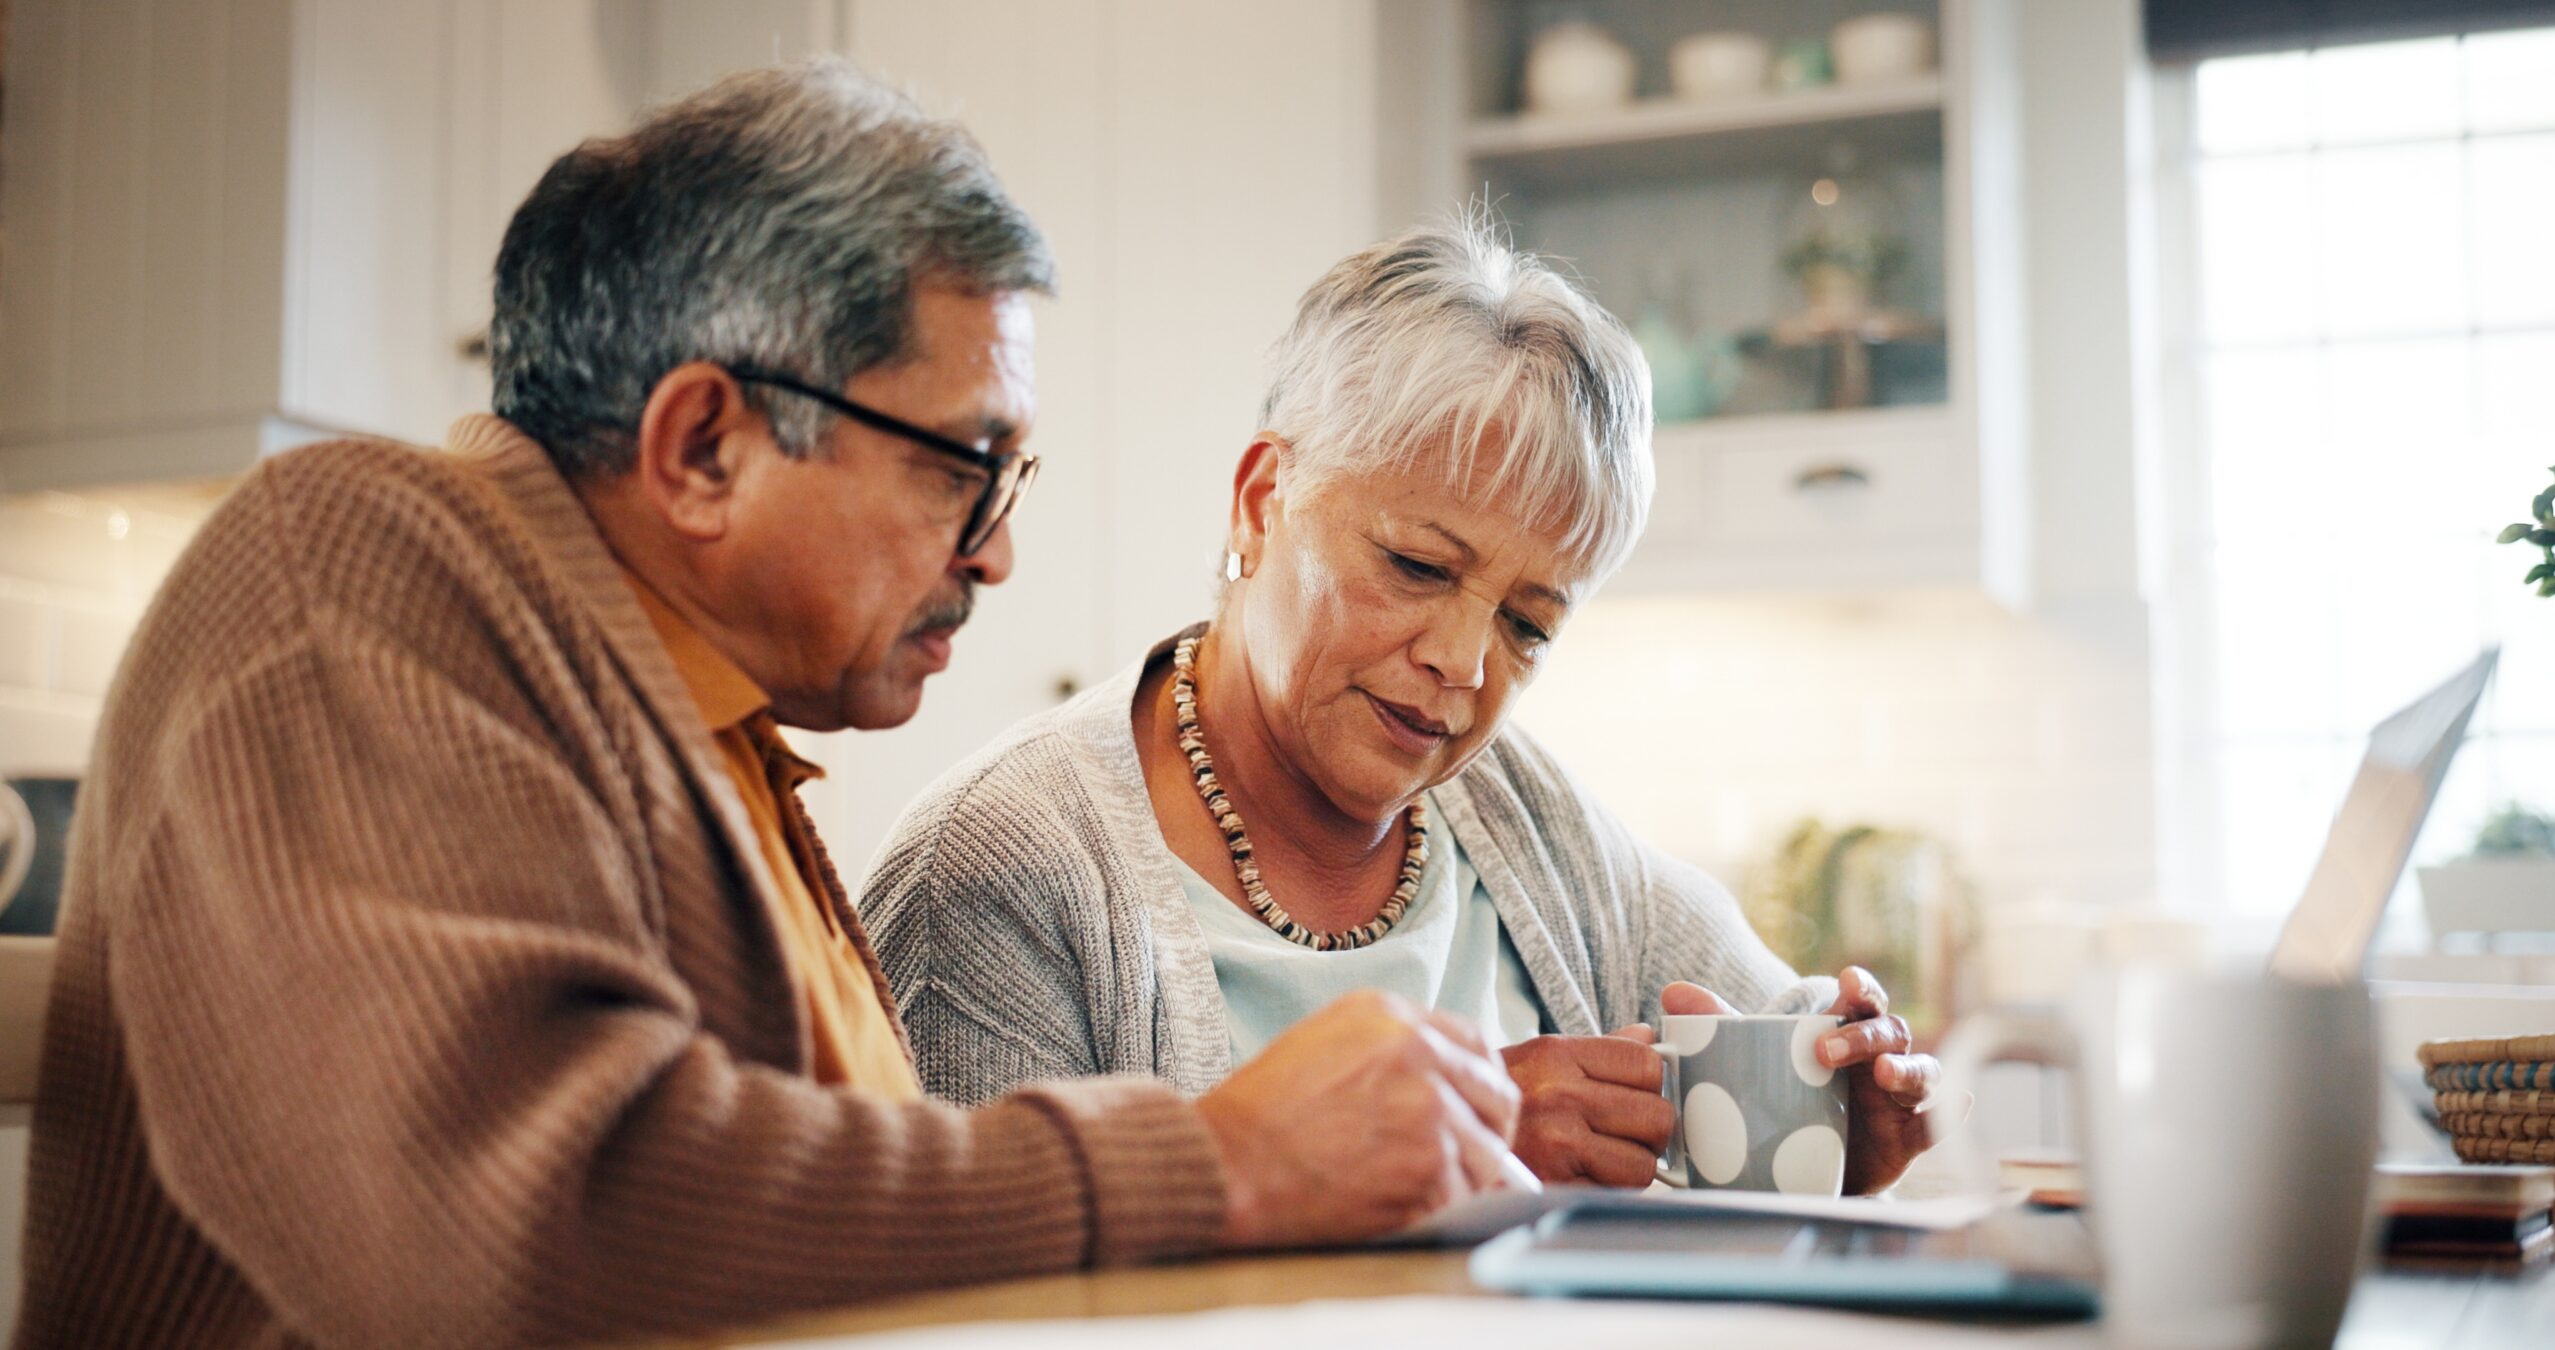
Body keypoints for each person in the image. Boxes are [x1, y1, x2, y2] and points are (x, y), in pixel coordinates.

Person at [11, 60, 1524, 1349]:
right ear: (703, 447)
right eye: (962, 466)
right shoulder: (349, 569)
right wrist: (1219, 1161)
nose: (996, 549)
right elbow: (542, 1218)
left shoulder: (719, 736)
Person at [865, 217, 1944, 1192]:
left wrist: (1845, 1095)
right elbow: (985, 1303)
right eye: (1419, 568)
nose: (1465, 661)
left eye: (1527, 623)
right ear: (1260, 502)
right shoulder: (997, 870)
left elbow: (1771, 1020)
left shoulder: (1520, 817)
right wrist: (1457, 1157)